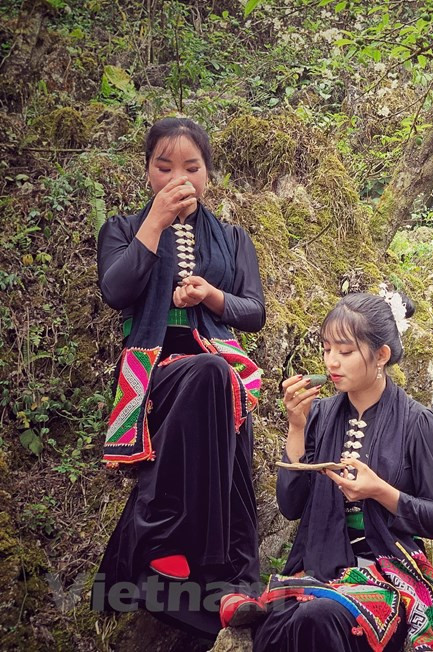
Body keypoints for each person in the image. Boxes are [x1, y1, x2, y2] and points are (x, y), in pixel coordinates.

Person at [92, 117, 265, 638]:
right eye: (163, 166)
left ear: (208, 175)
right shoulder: (123, 228)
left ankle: (228, 586)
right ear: (147, 171)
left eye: (191, 167)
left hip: (219, 366)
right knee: (211, 378)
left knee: (218, 385)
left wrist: (210, 296)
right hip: (154, 374)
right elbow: (117, 291)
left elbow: (254, 312)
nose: (177, 177)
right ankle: (185, 556)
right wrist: (156, 224)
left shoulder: (233, 238)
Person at [232, 289, 433, 652]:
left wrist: (380, 492)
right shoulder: (320, 415)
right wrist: (296, 426)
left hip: (387, 575)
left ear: (381, 355)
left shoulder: (419, 423)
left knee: (317, 619)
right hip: (318, 569)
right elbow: (291, 506)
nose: (331, 363)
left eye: (345, 351)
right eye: (326, 350)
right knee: (279, 625)